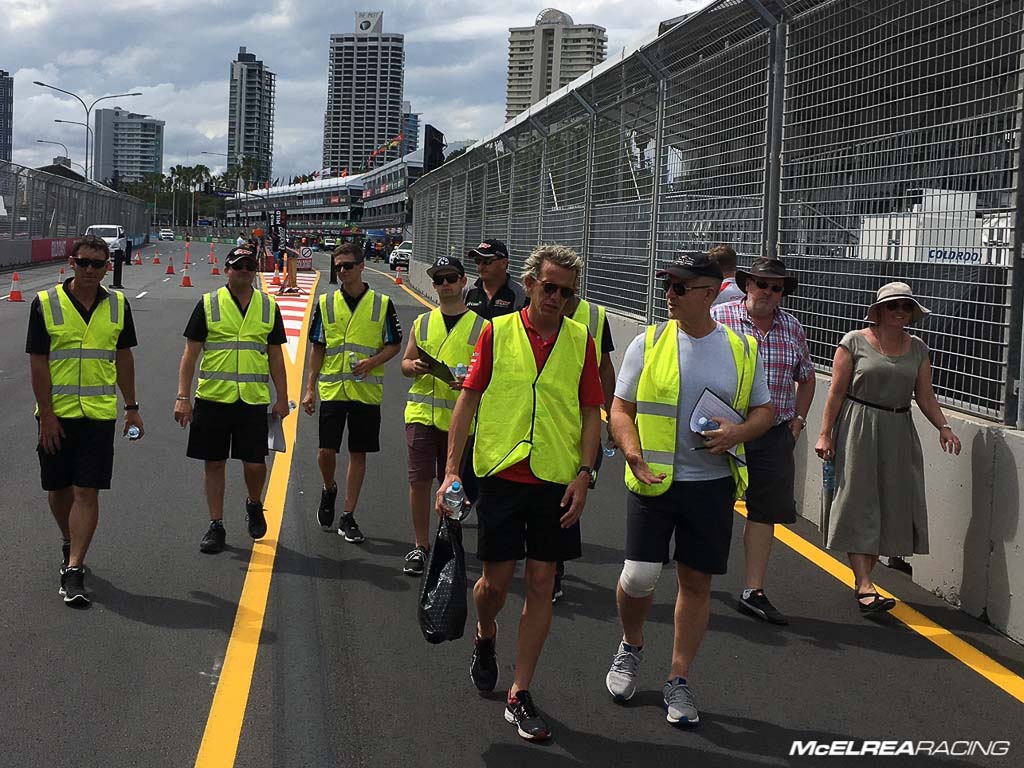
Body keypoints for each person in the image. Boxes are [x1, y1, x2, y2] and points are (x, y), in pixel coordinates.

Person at [436, 244, 602, 742]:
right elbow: (467, 399)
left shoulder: (580, 340)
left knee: (541, 582)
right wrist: (450, 472)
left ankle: (520, 691)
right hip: (502, 474)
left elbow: (592, 410)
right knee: (494, 584)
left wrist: (585, 474)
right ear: (529, 284)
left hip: (554, 479)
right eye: (549, 287)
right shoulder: (497, 331)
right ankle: (485, 636)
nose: (556, 298)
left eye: (566, 292)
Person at [605, 251, 772, 727]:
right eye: (667, 286)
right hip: (652, 479)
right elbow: (620, 408)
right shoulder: (648, 342)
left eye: (680, 287)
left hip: (710, 484)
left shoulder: (741, 349)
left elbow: (763, 411)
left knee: (695, 582)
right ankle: (632, 644)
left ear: (710, 293)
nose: (669, 295)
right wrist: (632, 449)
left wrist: (737, 434)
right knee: (638, 577)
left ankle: (678, 679)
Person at [815, 282, 961, 614]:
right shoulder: (853, 342)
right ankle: (865, 583)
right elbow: (836, 393)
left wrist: (944, 427)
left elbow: (925, 395)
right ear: (878, 311)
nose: (900, 312)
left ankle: (863, 579)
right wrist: (825, 434)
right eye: (893, 306)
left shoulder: (918, 348)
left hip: (897, 430)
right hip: (857, 426)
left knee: (888, 504)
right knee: (858, 501)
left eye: (906, 307)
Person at [27, 235, 144, 607]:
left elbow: (124, 358)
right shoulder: (45, 303)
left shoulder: (118, 305)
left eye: (98, 263)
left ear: (109, 266)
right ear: (71, 262)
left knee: (86, 491)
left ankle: (74, 568)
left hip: (97, 417)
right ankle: (69, 539)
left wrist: (132, 407)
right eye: (84, 262)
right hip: (55, 416)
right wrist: (46, 414)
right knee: (58, 489)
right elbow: (38, 362)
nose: (91, 270)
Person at [712, 257, 815, 625]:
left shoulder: (792, 327)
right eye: (762, 284)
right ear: (747, 284)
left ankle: (752, 590)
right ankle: (698, 575)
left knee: (764, 511)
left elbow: (806, 376)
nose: (768, 293)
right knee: (712, 501)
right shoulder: (720, 319)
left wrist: (798, 422)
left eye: (777, 287)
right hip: (728, 430)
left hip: (774, 433)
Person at [175, 245, 290, 554]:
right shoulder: (208, 304)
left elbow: (276, 356)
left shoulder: (268, 307)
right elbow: (190, 354)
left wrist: (283, 397)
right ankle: (216, 525)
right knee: (214, 462)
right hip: (213, 399)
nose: (244, 270)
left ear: (255, 270)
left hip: (252, 401)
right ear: (227, 269)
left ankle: (254, 503)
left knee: (255, 464)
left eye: (250, 266)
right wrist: (182, 397)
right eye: (238, 265)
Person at [303, 243, 402, 542]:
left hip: (365, 393)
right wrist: (310, 389)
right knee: (325, 452)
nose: (342, 271)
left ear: (361, 266)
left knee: (358, 454)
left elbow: (394, 344)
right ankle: (329, 487)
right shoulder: (325, 303)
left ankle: (348, 515)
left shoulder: (382, 303)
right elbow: (317, 347)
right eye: (338, 266)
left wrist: (373, 362)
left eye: (348, 265)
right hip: (333, 389)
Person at [399, 255, 485, 576]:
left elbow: (491, 376)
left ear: (464, 282)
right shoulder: (422, 323)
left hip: (460, 424)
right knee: (419, 483)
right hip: (421, 415)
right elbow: (405, 364)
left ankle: (447, 544)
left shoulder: (483, 327)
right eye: (439, 280)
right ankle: (421, 547)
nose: (445, 284)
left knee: (452, 488)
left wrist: (470, 382)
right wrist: (414, 366)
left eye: (451, 278)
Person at [552, 292, 617, 603]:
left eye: (565, 286)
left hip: (580, 420)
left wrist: (612, 417)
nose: (556, 295)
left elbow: (605, 368)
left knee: (567, 490)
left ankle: (554, 566)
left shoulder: (595, 316)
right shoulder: (533, 307)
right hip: (543, 419)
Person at [463, 239, 528, 319]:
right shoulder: (468, 291)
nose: (480, 267)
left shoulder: (520, 295)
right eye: (477, 261)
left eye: (486, 261)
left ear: (503, 263)